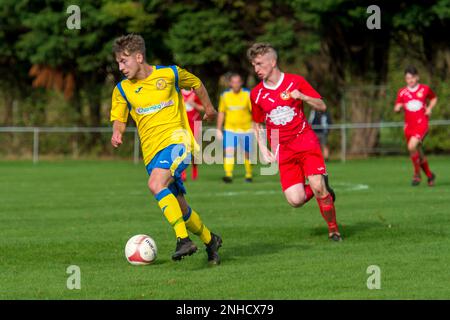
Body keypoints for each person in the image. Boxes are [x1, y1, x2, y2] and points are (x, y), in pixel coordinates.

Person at [110, 34, 222, 264]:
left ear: (139, 57)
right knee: (180, 207)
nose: (120, 67)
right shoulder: (122, 89)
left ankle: (183, 239)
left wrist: (209, 109)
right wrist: (117, 131)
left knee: (155, 184)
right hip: (152, 154)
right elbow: (119, 118)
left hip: (179, 142)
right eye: (118, 62)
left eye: (124, 60)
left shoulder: (170, 74)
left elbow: (196, 83)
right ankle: (211, 240)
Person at [247, 43, 341, 241]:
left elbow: (322, 106)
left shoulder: (295, 81)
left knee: (316, 186)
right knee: (295, 200)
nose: (256, 69)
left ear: (273, 62)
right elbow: (256, 124)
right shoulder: (256, 94)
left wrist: (303, 96)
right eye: (254, 65)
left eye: (259, 64)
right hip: (283, 149)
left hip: (305, 140)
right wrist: (263, 149)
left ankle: (333, 230)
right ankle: (324, 188)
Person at [394, 66, 438, 186]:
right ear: (405, 79)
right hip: (409, 126)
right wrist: (398, 108)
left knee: (411, 146)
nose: (411, 80)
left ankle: (417, 174)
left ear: (417, 77)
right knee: (417, 151)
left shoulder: (424, 89)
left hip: (421, 123)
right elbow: (397, 106)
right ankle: (429, 175)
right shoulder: (402, 92)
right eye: (408, 78)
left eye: (413, 77)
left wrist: (429, 108)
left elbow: (434, 98)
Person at [217, 73, 254, 183]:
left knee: (247, 153)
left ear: (241, 83)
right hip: (230, 129)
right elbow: (221, 112)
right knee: (228, 151)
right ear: (230, 83)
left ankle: (248, 174)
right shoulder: (225, 95)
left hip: (246, 129)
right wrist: (219, 129)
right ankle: (228, 175)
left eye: (238, 82)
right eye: (233, 82)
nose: (236, 84)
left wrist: (256, 125)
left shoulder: (248, 94)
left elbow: (254, 111)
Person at [181, 88, 204, 181]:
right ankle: (183, 173)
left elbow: (203, 108)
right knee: (183, 149)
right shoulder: (177, 91)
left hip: (195, 124)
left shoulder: (195, 93)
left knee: (194, 150)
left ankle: (195, 169)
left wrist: (193, 104)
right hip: (182, 124)